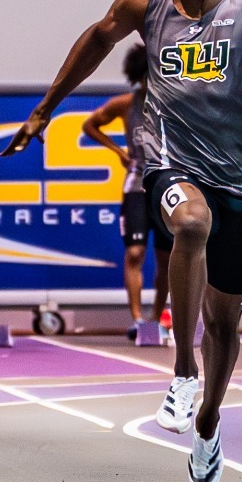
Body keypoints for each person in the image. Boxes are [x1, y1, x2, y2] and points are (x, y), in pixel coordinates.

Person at [7, 0, 242, 482]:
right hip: (171, 163)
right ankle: (182, 372)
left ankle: (209, 419)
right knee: (190, 223)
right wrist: (45, 108)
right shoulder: (145, 2)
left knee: (226, 320)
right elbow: (95, 41)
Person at [83, 44, 172, 342]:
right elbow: (90, 125)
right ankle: (137, 319)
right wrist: (117, 150)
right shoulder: (126, 104)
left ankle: (158, 318)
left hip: (167, 186)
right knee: (134, 252)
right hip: (136, 185)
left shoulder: (174, 103)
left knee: (167, 259)